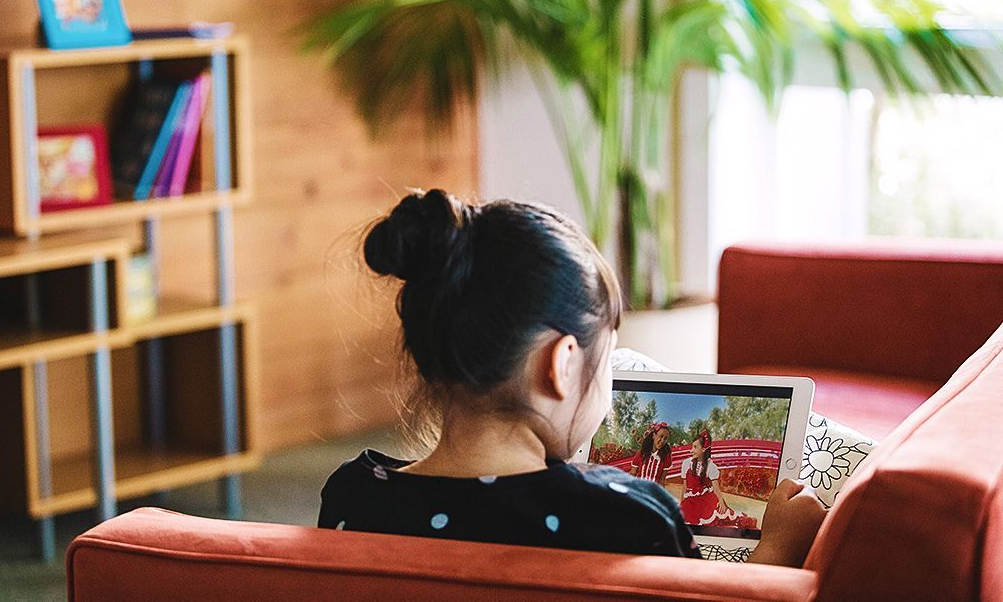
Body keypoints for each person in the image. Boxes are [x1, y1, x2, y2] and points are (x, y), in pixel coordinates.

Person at [318, 189, 825, 566]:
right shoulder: (626, 517)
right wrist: (781, 546)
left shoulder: (353, 496)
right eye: (606, 358)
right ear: (559, 366)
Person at [678, 429, 757, 529]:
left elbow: (716, 488)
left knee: (719, 518)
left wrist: (721, 500)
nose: (691, 450)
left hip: (706, 499)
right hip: (691, 500)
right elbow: (685, 487)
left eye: (695, 447)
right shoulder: (686, 463)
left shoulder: (711, 466)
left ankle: (742, 520)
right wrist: (681, 503)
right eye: (692, 446)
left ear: (703, 449)